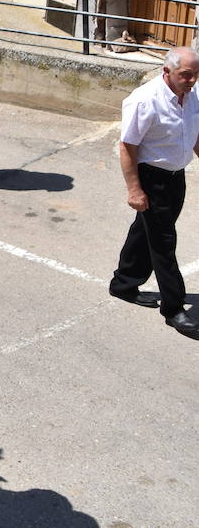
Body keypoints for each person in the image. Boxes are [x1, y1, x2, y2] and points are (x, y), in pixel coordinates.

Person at [109, 47, 199, 337]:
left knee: (146, 230)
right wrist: (135, 189)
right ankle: (173, 309)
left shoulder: (192, 95)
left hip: (176, 177)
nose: (192, 80)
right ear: (167, 71)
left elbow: (194, 134)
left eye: (196, 74)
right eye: (186, 75)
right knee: (163, 242)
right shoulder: (145, 100)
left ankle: (124, 283)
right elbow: (128, 146)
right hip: (152, 178)